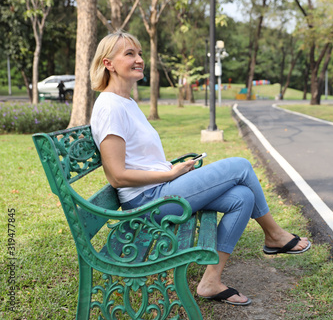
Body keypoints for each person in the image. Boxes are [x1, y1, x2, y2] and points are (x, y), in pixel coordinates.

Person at [89, 31, 310, 306]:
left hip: (160, 191)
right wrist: (169, 174)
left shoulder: (127, 102)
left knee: (243, 197)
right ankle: (275, 235)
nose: (139, 60)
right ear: (108, 63)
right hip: (147, 203)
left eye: (140, 54)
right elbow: (117, 176)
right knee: (241, 166)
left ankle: (210, 282)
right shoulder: (110, 106)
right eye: (129, 54)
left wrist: (170, 168)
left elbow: (138, 159)